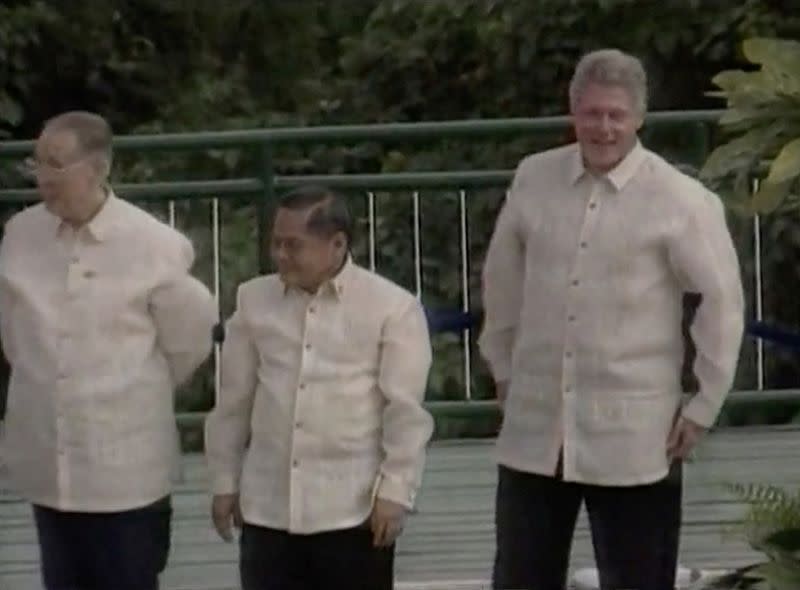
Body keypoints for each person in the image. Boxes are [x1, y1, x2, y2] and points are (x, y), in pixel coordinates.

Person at [478, 49, 745, 590]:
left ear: (639, 118)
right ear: (573, 113)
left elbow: (723, 302)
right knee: (521, 575)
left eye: (616, 115)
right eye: (592, 113)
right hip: (536, 422)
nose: (603, 128)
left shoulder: (681, 199)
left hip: (635, 434)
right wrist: (501, 367)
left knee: (640, 578)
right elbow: (501, 282)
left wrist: (704, 404)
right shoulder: (533, 178)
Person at [0, 111, 217, 590]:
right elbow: (14, 334)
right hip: (48, 462)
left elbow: (190, 337)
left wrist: (129, 386)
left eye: (56, 164)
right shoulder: (20, 235)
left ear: (97, 168)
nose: (43, 178)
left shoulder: (153, 244)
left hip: (125, 468)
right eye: (36, 164)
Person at [205, 185, 434, 590]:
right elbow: (232, 403)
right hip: (268, 507)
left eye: (293, 245)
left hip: (352, 508)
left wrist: (396, 490)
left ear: (337, 244)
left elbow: (404, 411)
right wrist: (225, 482)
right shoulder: (253, 300)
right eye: (275, 243)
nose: (280, 255)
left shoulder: (391, 307)